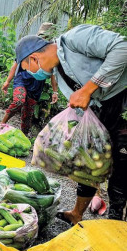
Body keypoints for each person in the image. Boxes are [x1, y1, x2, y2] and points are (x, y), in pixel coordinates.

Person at [15, 24, 127, 224]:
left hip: (122, 106)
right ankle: (76, 214)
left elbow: (122, 48)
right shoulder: (58, 72)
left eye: (27, 70)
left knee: (122, 165)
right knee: (87, 162)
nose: (32, 74)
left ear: (33, 58)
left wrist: (89, 88)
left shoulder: (75, 38)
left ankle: (115, 220)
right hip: (100, 114)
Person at [1, 23, 59, 135]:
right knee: (18, 101)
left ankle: (23, 136)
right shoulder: (29, 45)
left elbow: (53, 74)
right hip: (22, 79)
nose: (44, 39)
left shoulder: (51, 52)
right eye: (42, 36)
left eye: (47, 37)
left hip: (37, 85)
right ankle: (2, 124)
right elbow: (16, 63)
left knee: (28, 114)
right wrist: (7, 81)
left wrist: (55, 91)